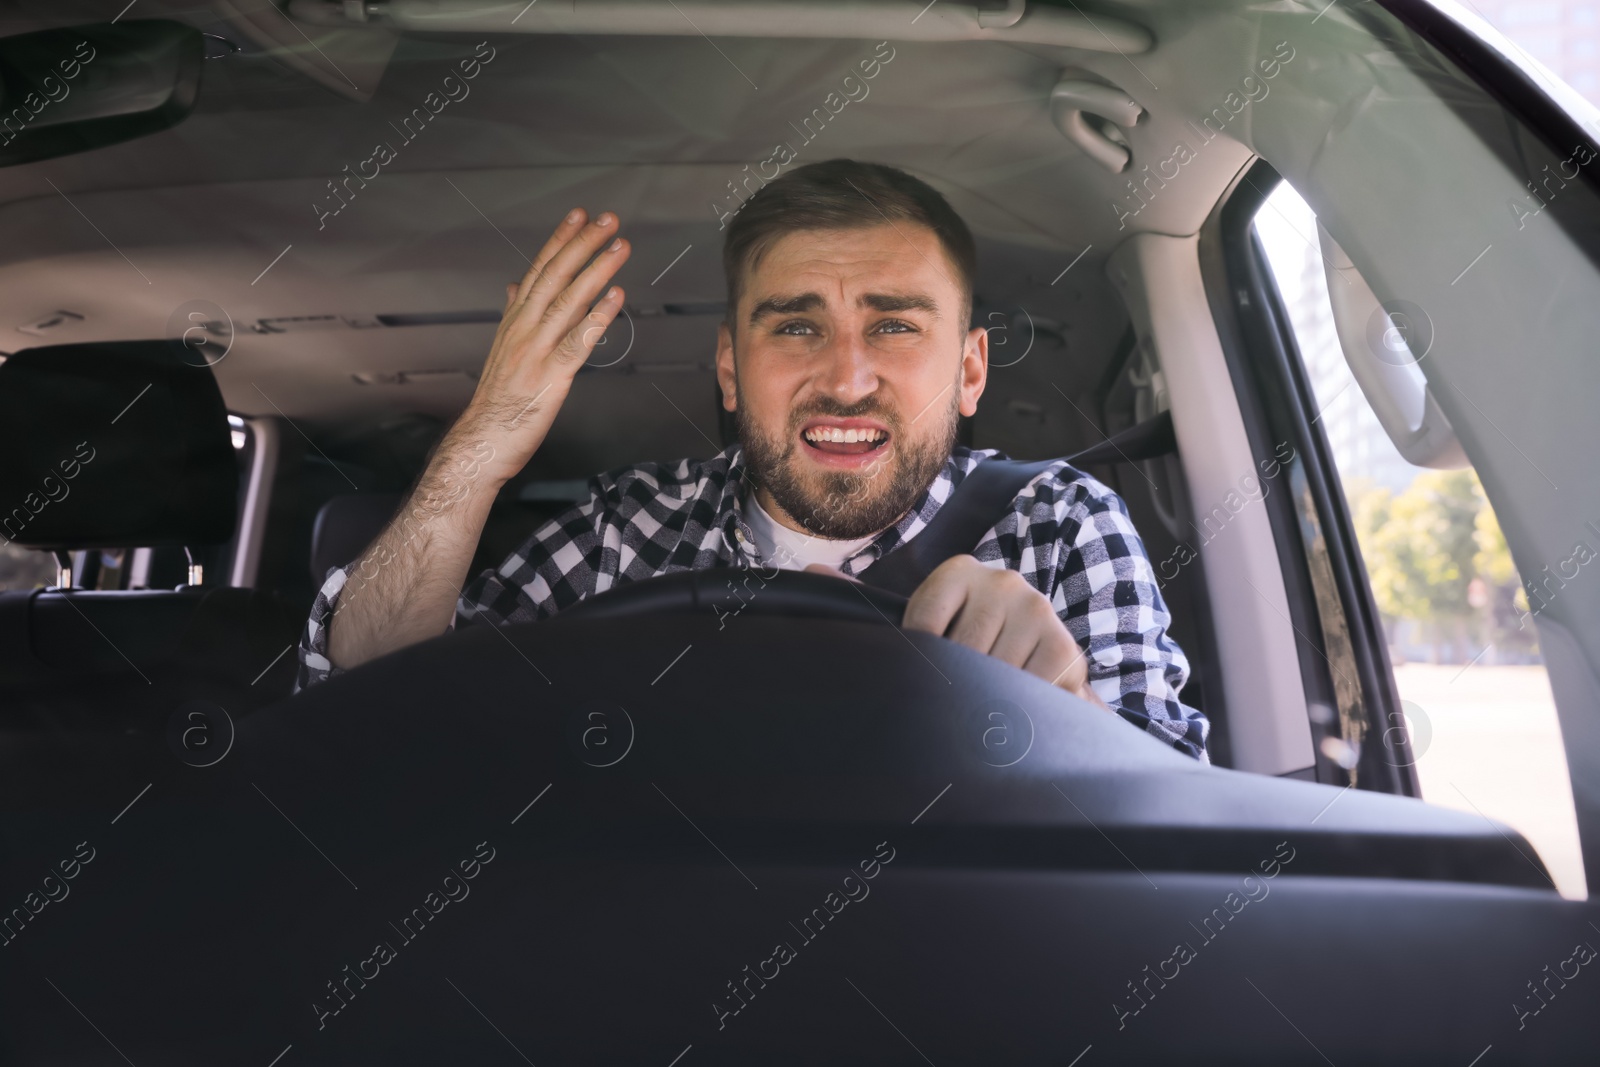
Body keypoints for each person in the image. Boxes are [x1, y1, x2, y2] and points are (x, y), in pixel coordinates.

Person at [295, 158, 1209, 761]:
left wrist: (1066, 712)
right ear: (731, 368)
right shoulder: (630, 527)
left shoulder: (1058, 523)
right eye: (796, 325)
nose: (847, 379)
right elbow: (364, 704)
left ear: (970, 370)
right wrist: (485, 439)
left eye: (893, 325)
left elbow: (1183, 830)